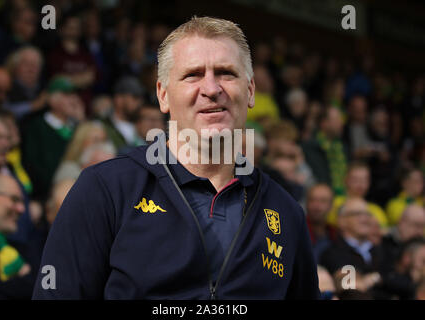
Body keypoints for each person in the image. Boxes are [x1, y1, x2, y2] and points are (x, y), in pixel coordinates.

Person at [33, 16, 319, 300]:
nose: (211, 89)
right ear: (163, 95)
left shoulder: (287, 212)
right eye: (192, 75)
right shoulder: (105, 189)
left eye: (226, 73)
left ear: (251, 90)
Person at [305, 184, 337, 261]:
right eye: (312, 200)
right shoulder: (295, 230)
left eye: (323, 201)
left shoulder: (335, 234)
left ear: (331, 206)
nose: (316, 206)